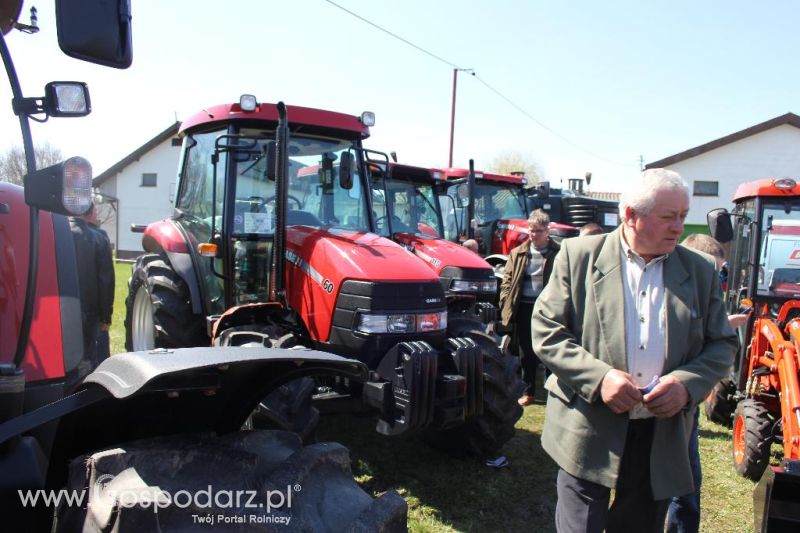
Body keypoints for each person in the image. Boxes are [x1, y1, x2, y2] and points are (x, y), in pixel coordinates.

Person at [532, 168, 737, 532]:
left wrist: (686, 385)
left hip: (659, 433)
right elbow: (547, 330)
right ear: (630, 215)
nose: (679, 227)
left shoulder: (700, 270)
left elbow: (722, 343)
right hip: (587, 425)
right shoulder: (578, 256)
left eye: (683, 217)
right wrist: (600, 378)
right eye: (667, 217)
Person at [666, 233, 748, 533]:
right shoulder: (667, 296)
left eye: (718, 272)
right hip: (662, 404)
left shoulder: (704, 297)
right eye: (712, 271)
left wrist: (722, 327)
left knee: (688, 486)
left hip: (687, 407)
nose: (714, 279)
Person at [499, 209, 560, 406]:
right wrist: (505, 300)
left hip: (549, 309)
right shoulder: (518, 253)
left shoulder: (558, 253)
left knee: (552, 349)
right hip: (524, 308)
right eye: (531, 230)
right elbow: (507, 280)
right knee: (527, 351)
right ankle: (529, 391)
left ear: (547, 231)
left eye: (538, 231)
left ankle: (554, 390)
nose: (534, 235)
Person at [69, 204, 115, 368]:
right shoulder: (99, 238)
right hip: (91, 312)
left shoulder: (56, 232)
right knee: (95, 361)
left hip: (62, 308)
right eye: (95, 210)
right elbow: (106, 280)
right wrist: (106, 316)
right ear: (89, 213)